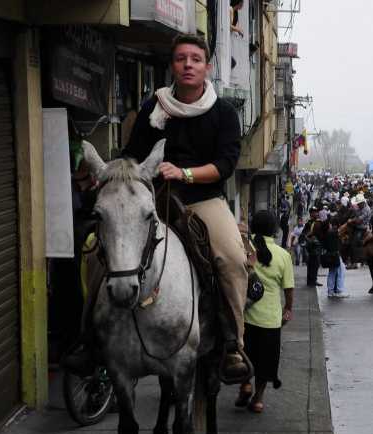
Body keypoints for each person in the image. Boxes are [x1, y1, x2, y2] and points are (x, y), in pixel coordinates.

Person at [64, 34, 249, 379]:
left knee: (232, 259)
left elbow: (225, 164)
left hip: (202, 200)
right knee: (94, 253)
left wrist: (185, 173)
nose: (188, 64)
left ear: (207, 67)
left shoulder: (223, 112)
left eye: (195, 59)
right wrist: (112, 176)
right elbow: (133, 155)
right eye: (181, 58)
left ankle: (234, 344)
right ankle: (88, 340)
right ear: (172, 66)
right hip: (150, 197)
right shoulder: (154, 107)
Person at [234, 211, 294, 413]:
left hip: (244, 314)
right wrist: (288, 309)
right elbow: (288, 288)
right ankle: (258, 399)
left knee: (244, 356)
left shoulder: (243, 246)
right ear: (275, 230)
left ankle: (245, 385)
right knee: (265, 362)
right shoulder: (283, 255)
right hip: (270, 319)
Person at [322, 216, 348, 298]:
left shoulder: (327, 233)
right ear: (336, 225)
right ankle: (339, 291)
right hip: (335, 255)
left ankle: (330, 291)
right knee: (340, 272)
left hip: (329, 255)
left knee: (332, 273)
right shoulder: (334, 232)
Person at [302, 207, 323, 286]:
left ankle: (314, 280)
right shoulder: (308, 223)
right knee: (311, 264)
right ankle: (310, 281)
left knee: (316, 264)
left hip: (317, 246)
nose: (314, 214)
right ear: (310, 214)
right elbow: (303, 234)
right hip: (310, 246)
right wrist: (308, 238)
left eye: (315, 212)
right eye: (313, 212)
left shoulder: (319, 222)